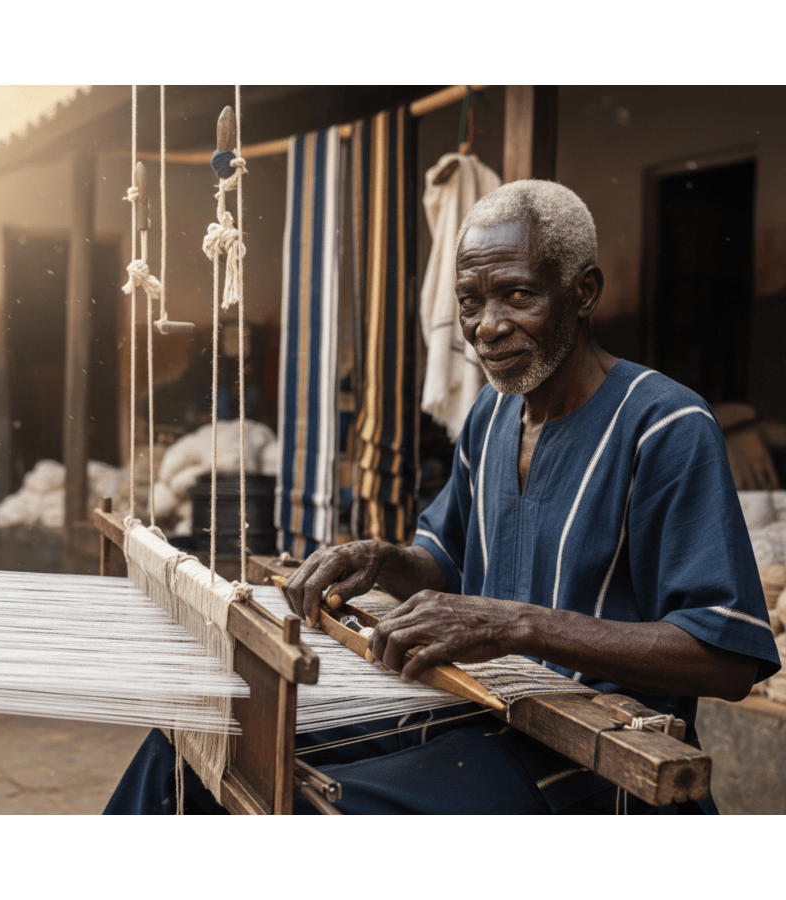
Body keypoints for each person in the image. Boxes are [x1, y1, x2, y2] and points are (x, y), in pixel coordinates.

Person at [105, 180, 780, 815]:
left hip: (591, 760)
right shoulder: (491, 416)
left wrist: (513, 625)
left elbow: (725, 657)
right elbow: (444, 560)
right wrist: (382, 558)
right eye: (469, 301)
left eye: (518, 296)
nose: (486, 326)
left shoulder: (664, 426)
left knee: (327, 806)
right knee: (190, 749)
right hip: (467, 710)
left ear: (583, 293)